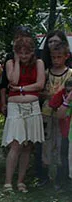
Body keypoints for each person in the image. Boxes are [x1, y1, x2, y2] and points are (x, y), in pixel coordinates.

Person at [2, 36, 45, 193]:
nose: (24, 56)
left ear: (33, 52)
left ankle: (21, 181)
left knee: (28, 146)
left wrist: (21, 89)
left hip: (33, 107)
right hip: (15, 107)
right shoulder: (10, 63)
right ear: (16, 52)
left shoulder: (39, 63)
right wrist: (17, 61)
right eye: (20, 53)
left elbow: (40, 84)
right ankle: (8, 182)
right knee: (16, 144)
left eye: (27, 53)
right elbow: (13, 80)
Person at [39, 41, 72, 186]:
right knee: (46, 143)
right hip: (47, 112)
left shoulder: (70, 74)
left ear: (66, 56)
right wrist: (49, 96)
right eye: (53, 57)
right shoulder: (47, 73)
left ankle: (60, 177)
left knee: (60, 144)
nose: (56, 60)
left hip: (64, 114)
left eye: (59, 57)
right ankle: (44, 176)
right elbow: (41, 90)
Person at [49, 78, 72, 190]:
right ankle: (63, 181)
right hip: (66, 134)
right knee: (64, 158)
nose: (69, 93)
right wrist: (67, 100)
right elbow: (57, 112)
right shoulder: (64, 97)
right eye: (68, 91)